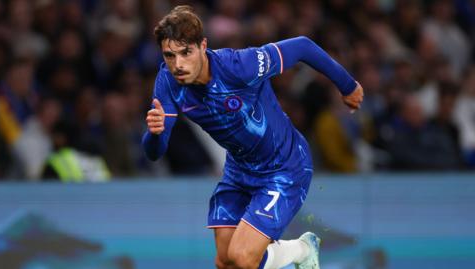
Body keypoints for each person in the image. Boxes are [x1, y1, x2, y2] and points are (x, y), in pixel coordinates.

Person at [142, 6, 363, 269]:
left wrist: (347, 85)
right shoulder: (167, 82)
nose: (178, 64)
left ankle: (302, 250)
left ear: (202, 46)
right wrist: (154, 134)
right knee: (226, 262)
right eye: (169, 55)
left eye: (186, 52)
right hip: (239, 170)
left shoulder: (240, 66)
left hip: (284, 167)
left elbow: (303, 46)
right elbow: (155, 152)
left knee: (243, 257)